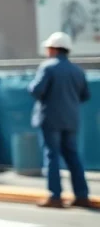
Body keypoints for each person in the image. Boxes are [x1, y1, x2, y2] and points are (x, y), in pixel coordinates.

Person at [29, 32, 92, 208]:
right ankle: (82, 195)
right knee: (73, 156)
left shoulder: (48, 68)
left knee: (51, 156)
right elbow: (85, 95)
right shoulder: (78, 71)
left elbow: (36, 90)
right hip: (71, 119)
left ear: (53, 49)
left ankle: (55, 196)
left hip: (50, 118)